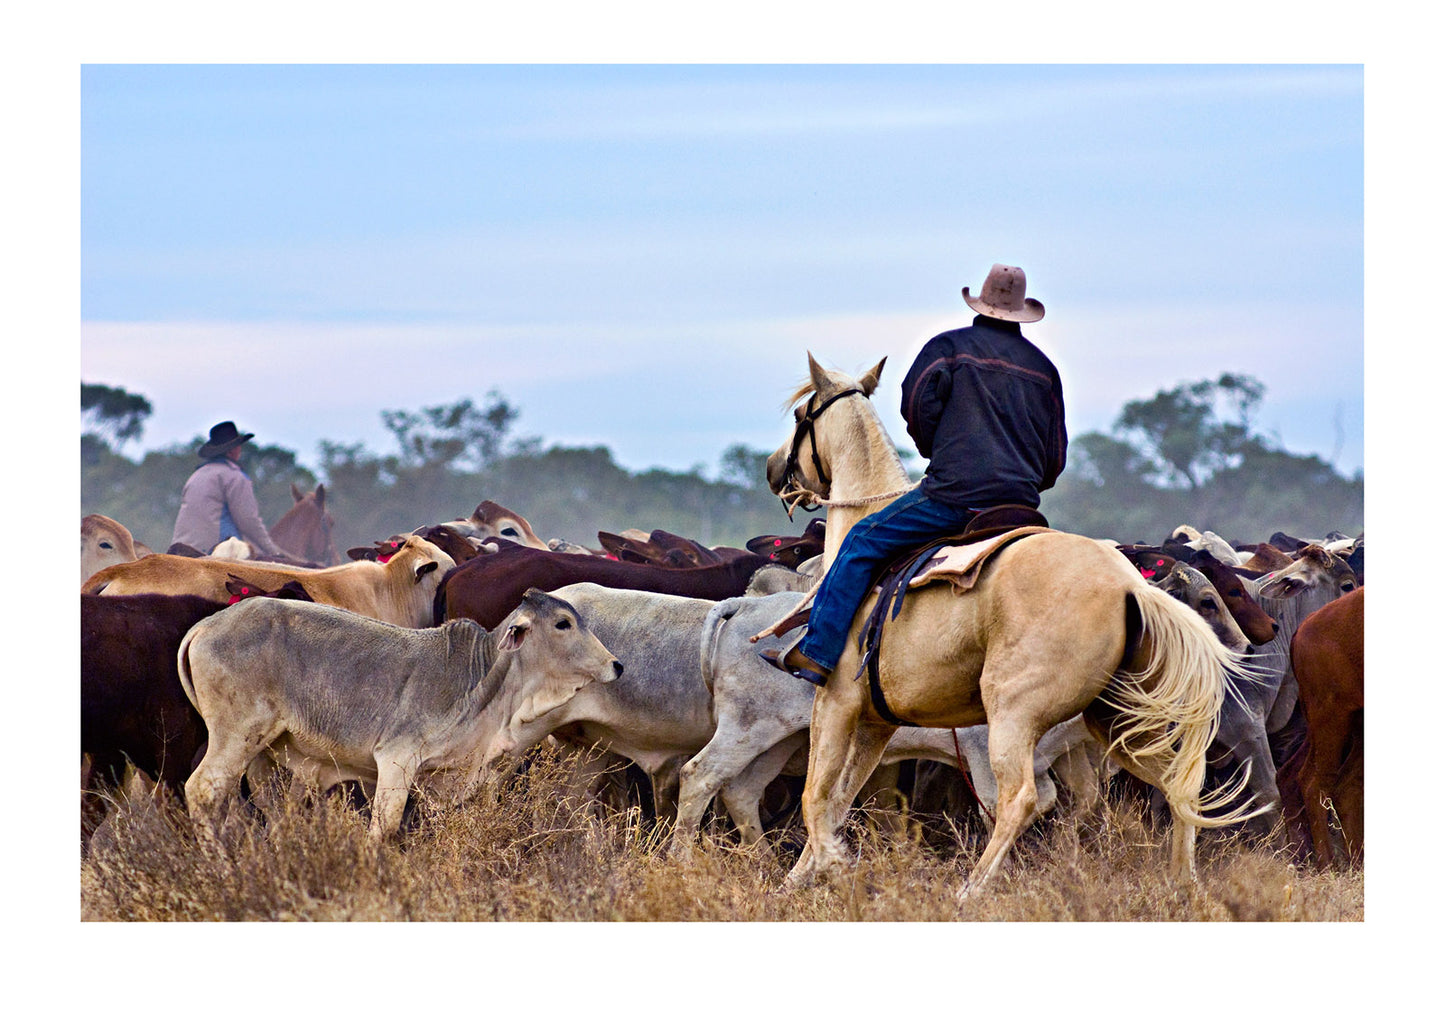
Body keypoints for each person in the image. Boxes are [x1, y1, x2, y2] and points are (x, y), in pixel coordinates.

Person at [763, 263, 1067, 686]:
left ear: (980, 303)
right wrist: (1026, 483)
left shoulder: (948, 349)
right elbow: (1054, 457)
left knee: (861, 541)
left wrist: (939, 452)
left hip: (954, 497)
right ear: (1021, 312)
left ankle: (817, 653)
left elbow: (915, 405)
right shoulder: (1045, 371)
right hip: (1021, 507)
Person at [171, 420, 286, 557]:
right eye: (238, 446)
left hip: (180, 551)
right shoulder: (235, 477)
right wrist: (273, 551)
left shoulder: (195, 476)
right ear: (232, 450)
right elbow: (248, 521)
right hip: (216, 551)